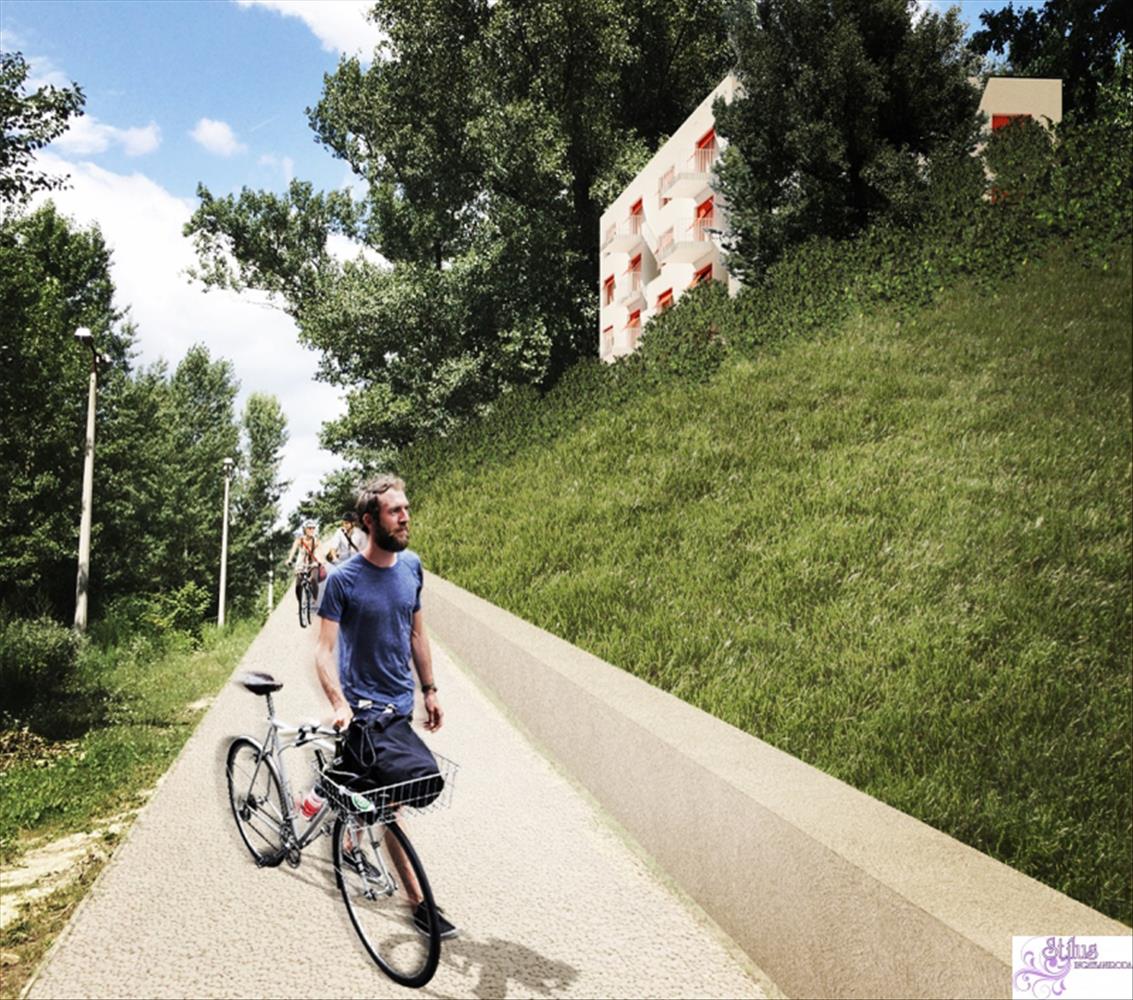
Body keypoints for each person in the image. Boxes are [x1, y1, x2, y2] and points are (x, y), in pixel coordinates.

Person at [314, 474, 456, 939]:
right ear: (369, 521)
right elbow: (323, 651)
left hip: (399, 705)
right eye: (396, 511)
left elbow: (417, 633)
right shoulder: (343, 581)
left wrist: (429, 689)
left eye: (406, 509)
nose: (406, 517)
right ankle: (420, 905)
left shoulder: (412, 567)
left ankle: (339, 825)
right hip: (363, 710)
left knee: (367, 791)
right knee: (393, 804)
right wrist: (339, 703)